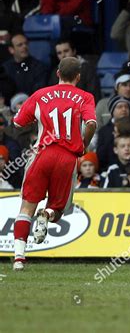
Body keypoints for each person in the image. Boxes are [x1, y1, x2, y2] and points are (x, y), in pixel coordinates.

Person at [11, 57, 97, 271]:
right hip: (68, 158)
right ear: (78, 76)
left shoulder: (41, 94)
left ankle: (19, 259)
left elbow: (18, 122)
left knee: (26, 206)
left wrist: (38, 123)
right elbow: (92, 123)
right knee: (58, 210)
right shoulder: (85, 97)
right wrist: (83, 143)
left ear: (57, 73)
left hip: (43, 153)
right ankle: (47, 215)